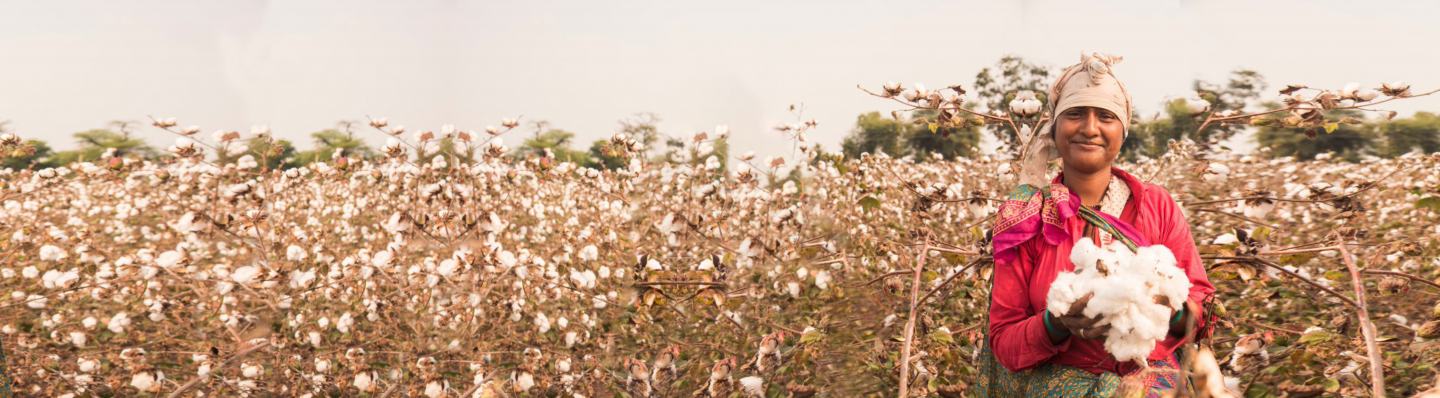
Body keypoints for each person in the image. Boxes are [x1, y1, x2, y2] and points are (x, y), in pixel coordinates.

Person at [974, 53, 1216, 397]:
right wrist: (1054, 325)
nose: (1090, 128)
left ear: (1122, 131)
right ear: (1055, 128)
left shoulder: (1156, 206)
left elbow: (1199, 308)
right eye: (1075, 114)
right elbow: (1005, 342)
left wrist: (1170, 308)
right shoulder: (1025, 217)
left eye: (1105, 116)